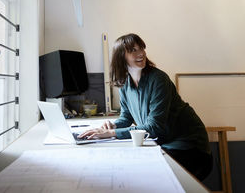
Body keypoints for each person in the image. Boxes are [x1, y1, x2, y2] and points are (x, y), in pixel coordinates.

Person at [79, 33, 212, 181]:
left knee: (144, 173)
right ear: (121, 57)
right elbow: (126, 116)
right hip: (165, 144)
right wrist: (112, 125)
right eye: (133, 50)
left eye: (141, 48)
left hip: (190, 149)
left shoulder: (158, 79)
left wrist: (112, 133)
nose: (141, 53)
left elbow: (154, 127)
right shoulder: (125, 83)